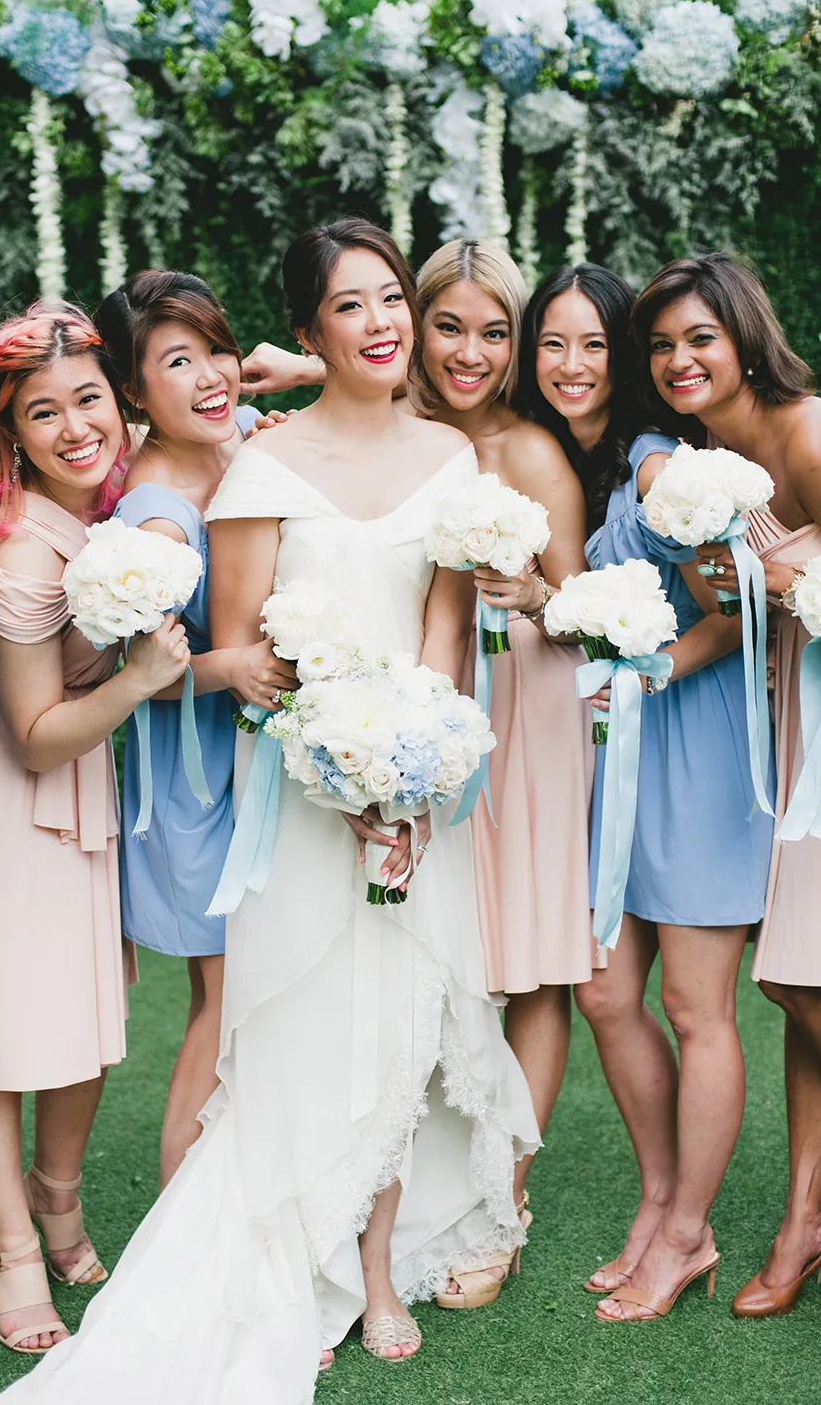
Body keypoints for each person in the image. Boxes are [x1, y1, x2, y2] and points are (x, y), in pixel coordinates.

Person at [0, 218, 537, 1405]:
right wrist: (342, 782)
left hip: (414, 791)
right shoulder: (263, 470)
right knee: (299, 1031)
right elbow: (242, 661)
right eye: (352, 306)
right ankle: (303, 1253)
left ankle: (379, 1271)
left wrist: (420, 777)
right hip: (299, 798)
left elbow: (445, 635)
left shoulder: (453, 461)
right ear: (308, 333)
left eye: (391, 296)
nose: (386, 322)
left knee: (399, 1026)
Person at [240, 241, 594, 1307]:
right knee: (429, 965)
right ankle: (346, 1208)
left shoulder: (522, 453)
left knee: (522, 960)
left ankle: (499, 1199)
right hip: (404, 731)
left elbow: (571, 612)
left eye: (497, 332)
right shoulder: (367, 439)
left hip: (511, 725)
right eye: (449, 325)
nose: (470, 349)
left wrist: (524, 588)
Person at [0, 304, 190, 1357]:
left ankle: (57, 1202)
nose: (76, 428)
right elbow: (32, 734)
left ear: (121, 404)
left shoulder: (118, 503)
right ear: (9, 433)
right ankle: (11, 1251)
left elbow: (217, 400)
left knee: (79, 1018)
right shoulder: (18, 543)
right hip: (3, 799)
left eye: (90, 402)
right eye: (43, 413)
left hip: (76, 793)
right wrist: (147, 677)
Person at [521, 261, 772, 1321]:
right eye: (553, 343)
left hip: (696, 741)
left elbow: (734, 606)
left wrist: (666, 657)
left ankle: (680, 1234)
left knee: (691, 1003)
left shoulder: (660, 458)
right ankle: (664, 1201)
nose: (575, 364)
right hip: (617, 748)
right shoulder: (571, 462)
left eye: (596, 343)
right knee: (606, 993)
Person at [634, 252, 821, 1318]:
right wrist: (641, 662)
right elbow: (731, 615)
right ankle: (802, 1221)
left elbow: (788, 586)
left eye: (698, 337)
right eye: (659, 344)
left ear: (745, 334)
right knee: (799, 979)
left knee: (803, 981)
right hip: (795, 719)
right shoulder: (701, 466)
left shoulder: (803, 431)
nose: (676, 359)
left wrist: (788, 578)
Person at [95, 270, 295, 1187]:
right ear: (135, 391)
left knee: (259, 998)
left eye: (217, 347)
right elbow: (144, 675)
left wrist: (290, 374)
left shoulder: (241, 435)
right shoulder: (158, 517)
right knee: (225, 1001)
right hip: (199, 777)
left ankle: (252, 1192)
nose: (213, 374)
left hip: (257, 761)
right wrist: (235, 666)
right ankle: (183, 1234)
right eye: (179, 360)